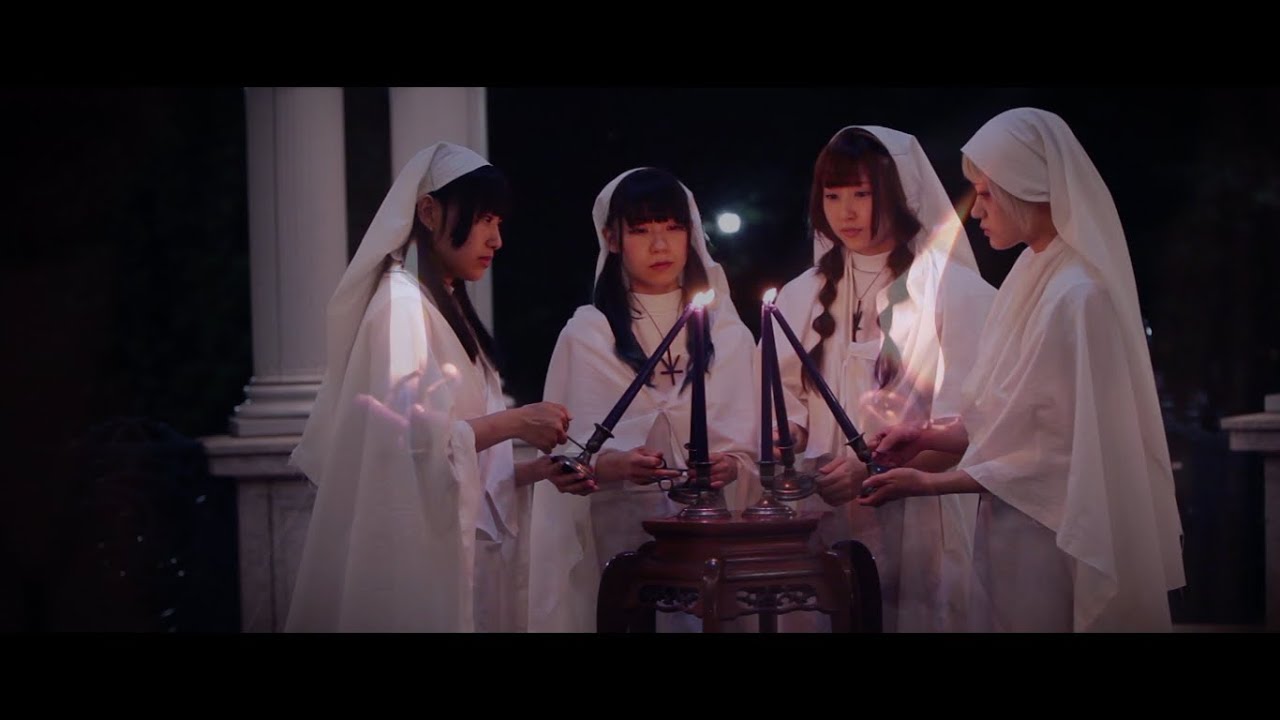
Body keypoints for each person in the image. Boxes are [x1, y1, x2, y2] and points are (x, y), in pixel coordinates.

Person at [864, 108, 1186, 632]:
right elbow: (1013, 417)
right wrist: (928, 436)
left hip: (1055, 534)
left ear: (1027, 189)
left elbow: (1063, 450)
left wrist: (929, 484)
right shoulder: (1033, 274)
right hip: (1011, 522)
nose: (976, 211)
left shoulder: (1079, 296)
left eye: (986, 194)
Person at [286, 142, 577, 632]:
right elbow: (412, 444)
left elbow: (455, 457)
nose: (496, 239)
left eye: (499, 222)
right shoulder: (401, 307)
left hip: (467, 557)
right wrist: (516, 422)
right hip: (420, 555)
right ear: (428, 212)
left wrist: (530, 473)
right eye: (483, 219)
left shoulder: (446, 304)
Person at [769, 126, 995, 632]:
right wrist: (791, 433)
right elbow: (783, 397)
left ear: (899, 194)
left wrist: (871, 468)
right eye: (833, 196)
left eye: (862, 194)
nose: (845, 212)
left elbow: (973, 423)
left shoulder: (954, 292)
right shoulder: (800, 295)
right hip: (821, 508)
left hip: (919, 513)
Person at [528, 167, 759, 632]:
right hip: (620, 543)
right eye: (641, 230)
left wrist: (732, 466)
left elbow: (754, 445)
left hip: (712, 543)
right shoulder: (588, 334)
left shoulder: (727, 333)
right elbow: (565, 454)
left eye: (672, 228)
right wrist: (612, 465)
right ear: (612, 238)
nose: (659, 245)